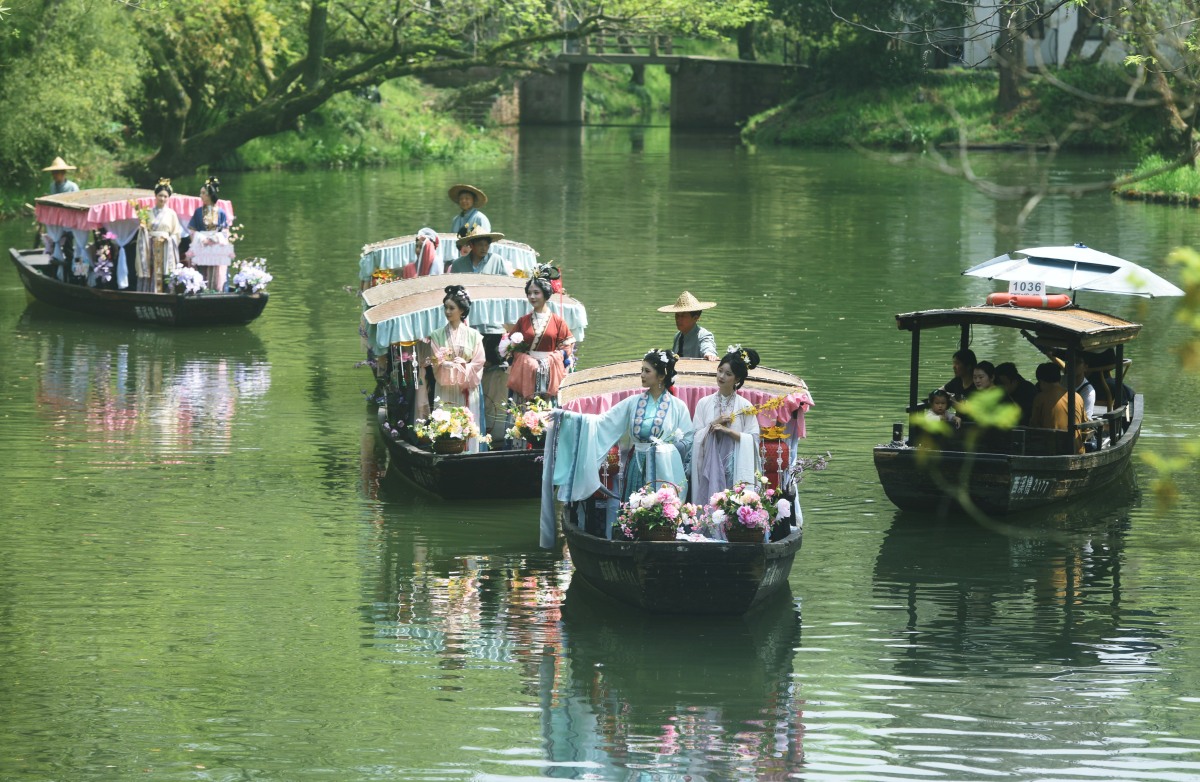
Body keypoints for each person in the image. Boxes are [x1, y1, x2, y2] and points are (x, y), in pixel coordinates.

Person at [552, 349, 694, 504]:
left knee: (662, 515)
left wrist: (667, 450)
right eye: (642, 370)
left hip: (665, 468)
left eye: (647, 371)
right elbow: (603, 422)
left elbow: (688, 440)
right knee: (635, 512)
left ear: (661, 376)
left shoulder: (678, 406)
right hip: (637, 466)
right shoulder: (633, 402)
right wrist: (566, 416)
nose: (642, 375)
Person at [416, 285, 488, 452]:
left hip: (466, 388)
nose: (447, 312)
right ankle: (446, 451)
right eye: (446, 308)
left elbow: (478, 362)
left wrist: (464, 366)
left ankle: (470, 455)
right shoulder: (436, 335)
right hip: (445, 386)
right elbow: (435, 361)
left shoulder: (474, 335)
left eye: (451, 308)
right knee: (446, 424)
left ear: (462, 310)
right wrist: (445, 365)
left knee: (468, 425)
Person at [690, 346, 762, 507]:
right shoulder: (704, 403)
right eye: (720, 370)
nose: (721, 376)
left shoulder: (745, 406)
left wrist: (728, 431)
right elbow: (695, 436)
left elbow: (753, 439)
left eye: (728, 374)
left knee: (733, 500)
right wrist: (714, 424)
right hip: (707, 461)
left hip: (734, 462)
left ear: (737, 379)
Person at [506, 268, 575, 403]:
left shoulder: (558, 321)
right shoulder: (523, 321)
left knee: (548, 410)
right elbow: (511, 348)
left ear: (545, 294)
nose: (532, 297)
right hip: (528, 370)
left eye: (536, 293)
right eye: (529, 293)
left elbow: (567, 347)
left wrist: (550, 360)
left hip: (551, 370)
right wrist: (526, 360)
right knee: (525, 411)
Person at [135, 179, 182, 292]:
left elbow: (176, 234)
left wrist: (169, 240)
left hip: (165, 246)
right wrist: (143, 230)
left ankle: (164, 293)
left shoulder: (171, 214)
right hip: (149, 246)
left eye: (165, 196)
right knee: (150, 269)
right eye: (160, 195)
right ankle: (147, 293)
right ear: (155, 196)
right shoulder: (147, 212)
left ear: (168, 198)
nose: (162, 199)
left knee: (163, 272)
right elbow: (143, 231)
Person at [1030, 362, 1086, 453]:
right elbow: (1084, 425)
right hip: (1077, 450)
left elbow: (1034, 426)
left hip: (1053, 451)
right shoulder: (1077, 396)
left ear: (1042, 382)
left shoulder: (1040, 398)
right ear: (1059, 379)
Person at [187, 177, 231, 291]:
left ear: (210, 195)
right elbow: (192, 230)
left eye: (203, 193)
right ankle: (201, 290)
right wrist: (201, 239)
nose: (200, 195)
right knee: (202, 271)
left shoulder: (221, 212)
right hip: (201, 245)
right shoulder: (198, 212)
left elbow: (225, 231)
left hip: (216, 245)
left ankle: (217, 291)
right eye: (200, 193)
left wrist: (214, 238)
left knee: (217, 274)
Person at [658, 291, 718, 360]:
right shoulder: (678, 336)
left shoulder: (704, 335)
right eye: (677, 315)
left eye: (683, 316)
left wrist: (709, 354)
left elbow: (708, 347)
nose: (678, 319)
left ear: (695, 318)